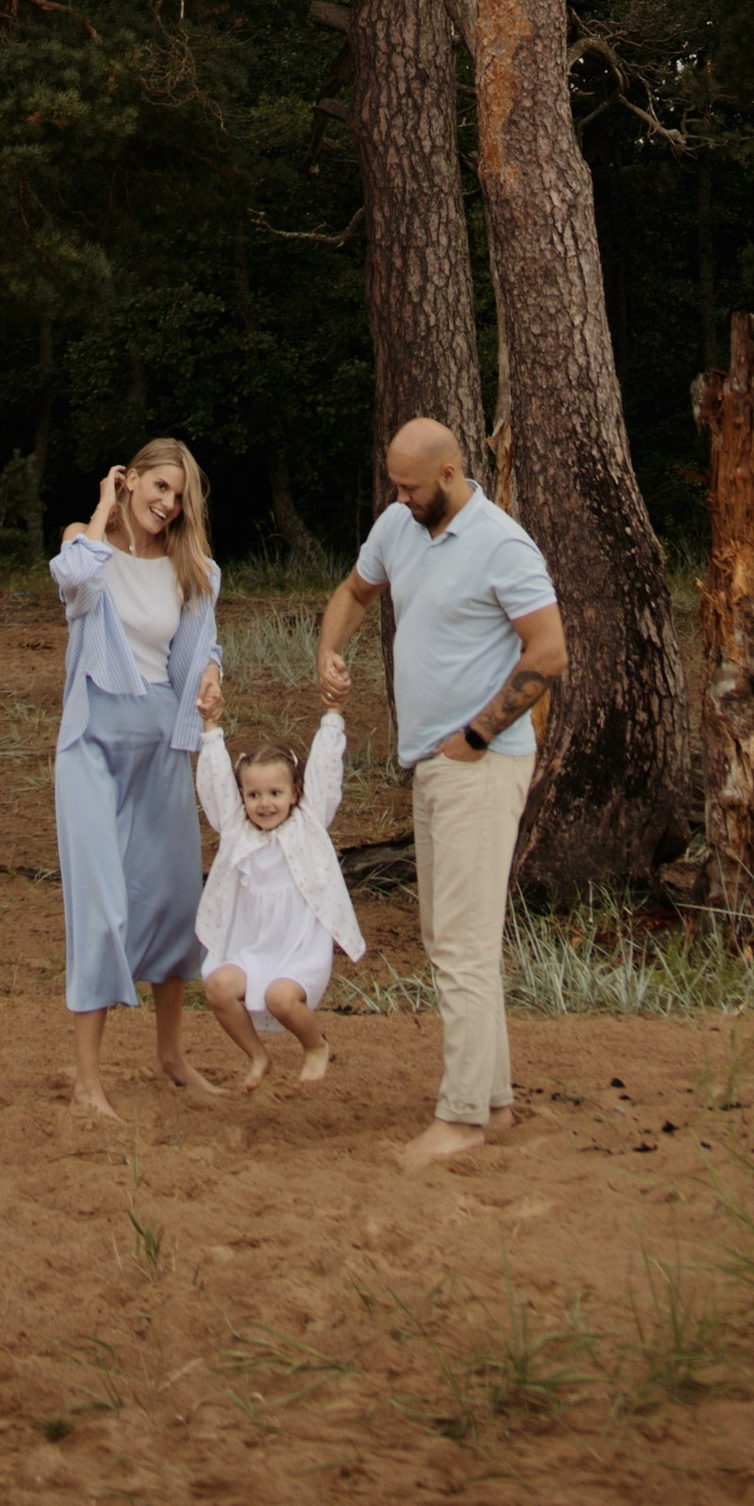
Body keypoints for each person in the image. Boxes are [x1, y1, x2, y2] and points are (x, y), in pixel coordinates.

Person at [317, 415, 566, 1171]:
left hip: (481, 766)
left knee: (459, 943)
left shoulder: (501, 543)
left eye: (410, 485)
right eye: (394, 484)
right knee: (451, 938)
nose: (398, 496)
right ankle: (492, 1098)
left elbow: (548, 649)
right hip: (429, 763)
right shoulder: (400, 526)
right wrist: (330, 649)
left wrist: (480, 735)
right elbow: (356, 593)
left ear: (450, 475)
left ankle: (461, 1119)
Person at [52, 439, 227, 1120]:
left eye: (179, 495)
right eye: (158, 486)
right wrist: (100, 510)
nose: (168, 503)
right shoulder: (85, 541)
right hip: (92, 737)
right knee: (100, 903)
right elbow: (76, 582)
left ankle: (171, 1057)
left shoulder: (193, 569)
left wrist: (211, 682)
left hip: (161, 740)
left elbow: (199, 649)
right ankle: (87, 1079)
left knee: (173, 896)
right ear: (128, 480)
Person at [193, 708, 364, 1090]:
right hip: (252, 948)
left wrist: (334, 715)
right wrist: (210, 728)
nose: (265, 803)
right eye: (254, 795)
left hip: (299, 952)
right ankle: (258, 1056)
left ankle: (315, 1045)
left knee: (281, 999)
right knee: (219, 987)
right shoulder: (237, 830)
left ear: (295, 793)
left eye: (275, 793)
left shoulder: (309, 825)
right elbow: (216, 783)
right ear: (242, 797)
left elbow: (324, 768)